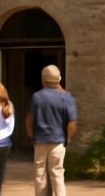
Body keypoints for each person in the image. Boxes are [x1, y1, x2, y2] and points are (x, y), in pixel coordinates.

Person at [26, 64, 77, 196]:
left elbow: (30, 120)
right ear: (59, 79)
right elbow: (72, 123)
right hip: (58, 140)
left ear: (43, 79)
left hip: (40, 140)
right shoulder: (67, 98)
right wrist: (67, 139)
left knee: (40, 174)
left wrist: (32, 136)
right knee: (57, 173)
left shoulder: (37, 97)